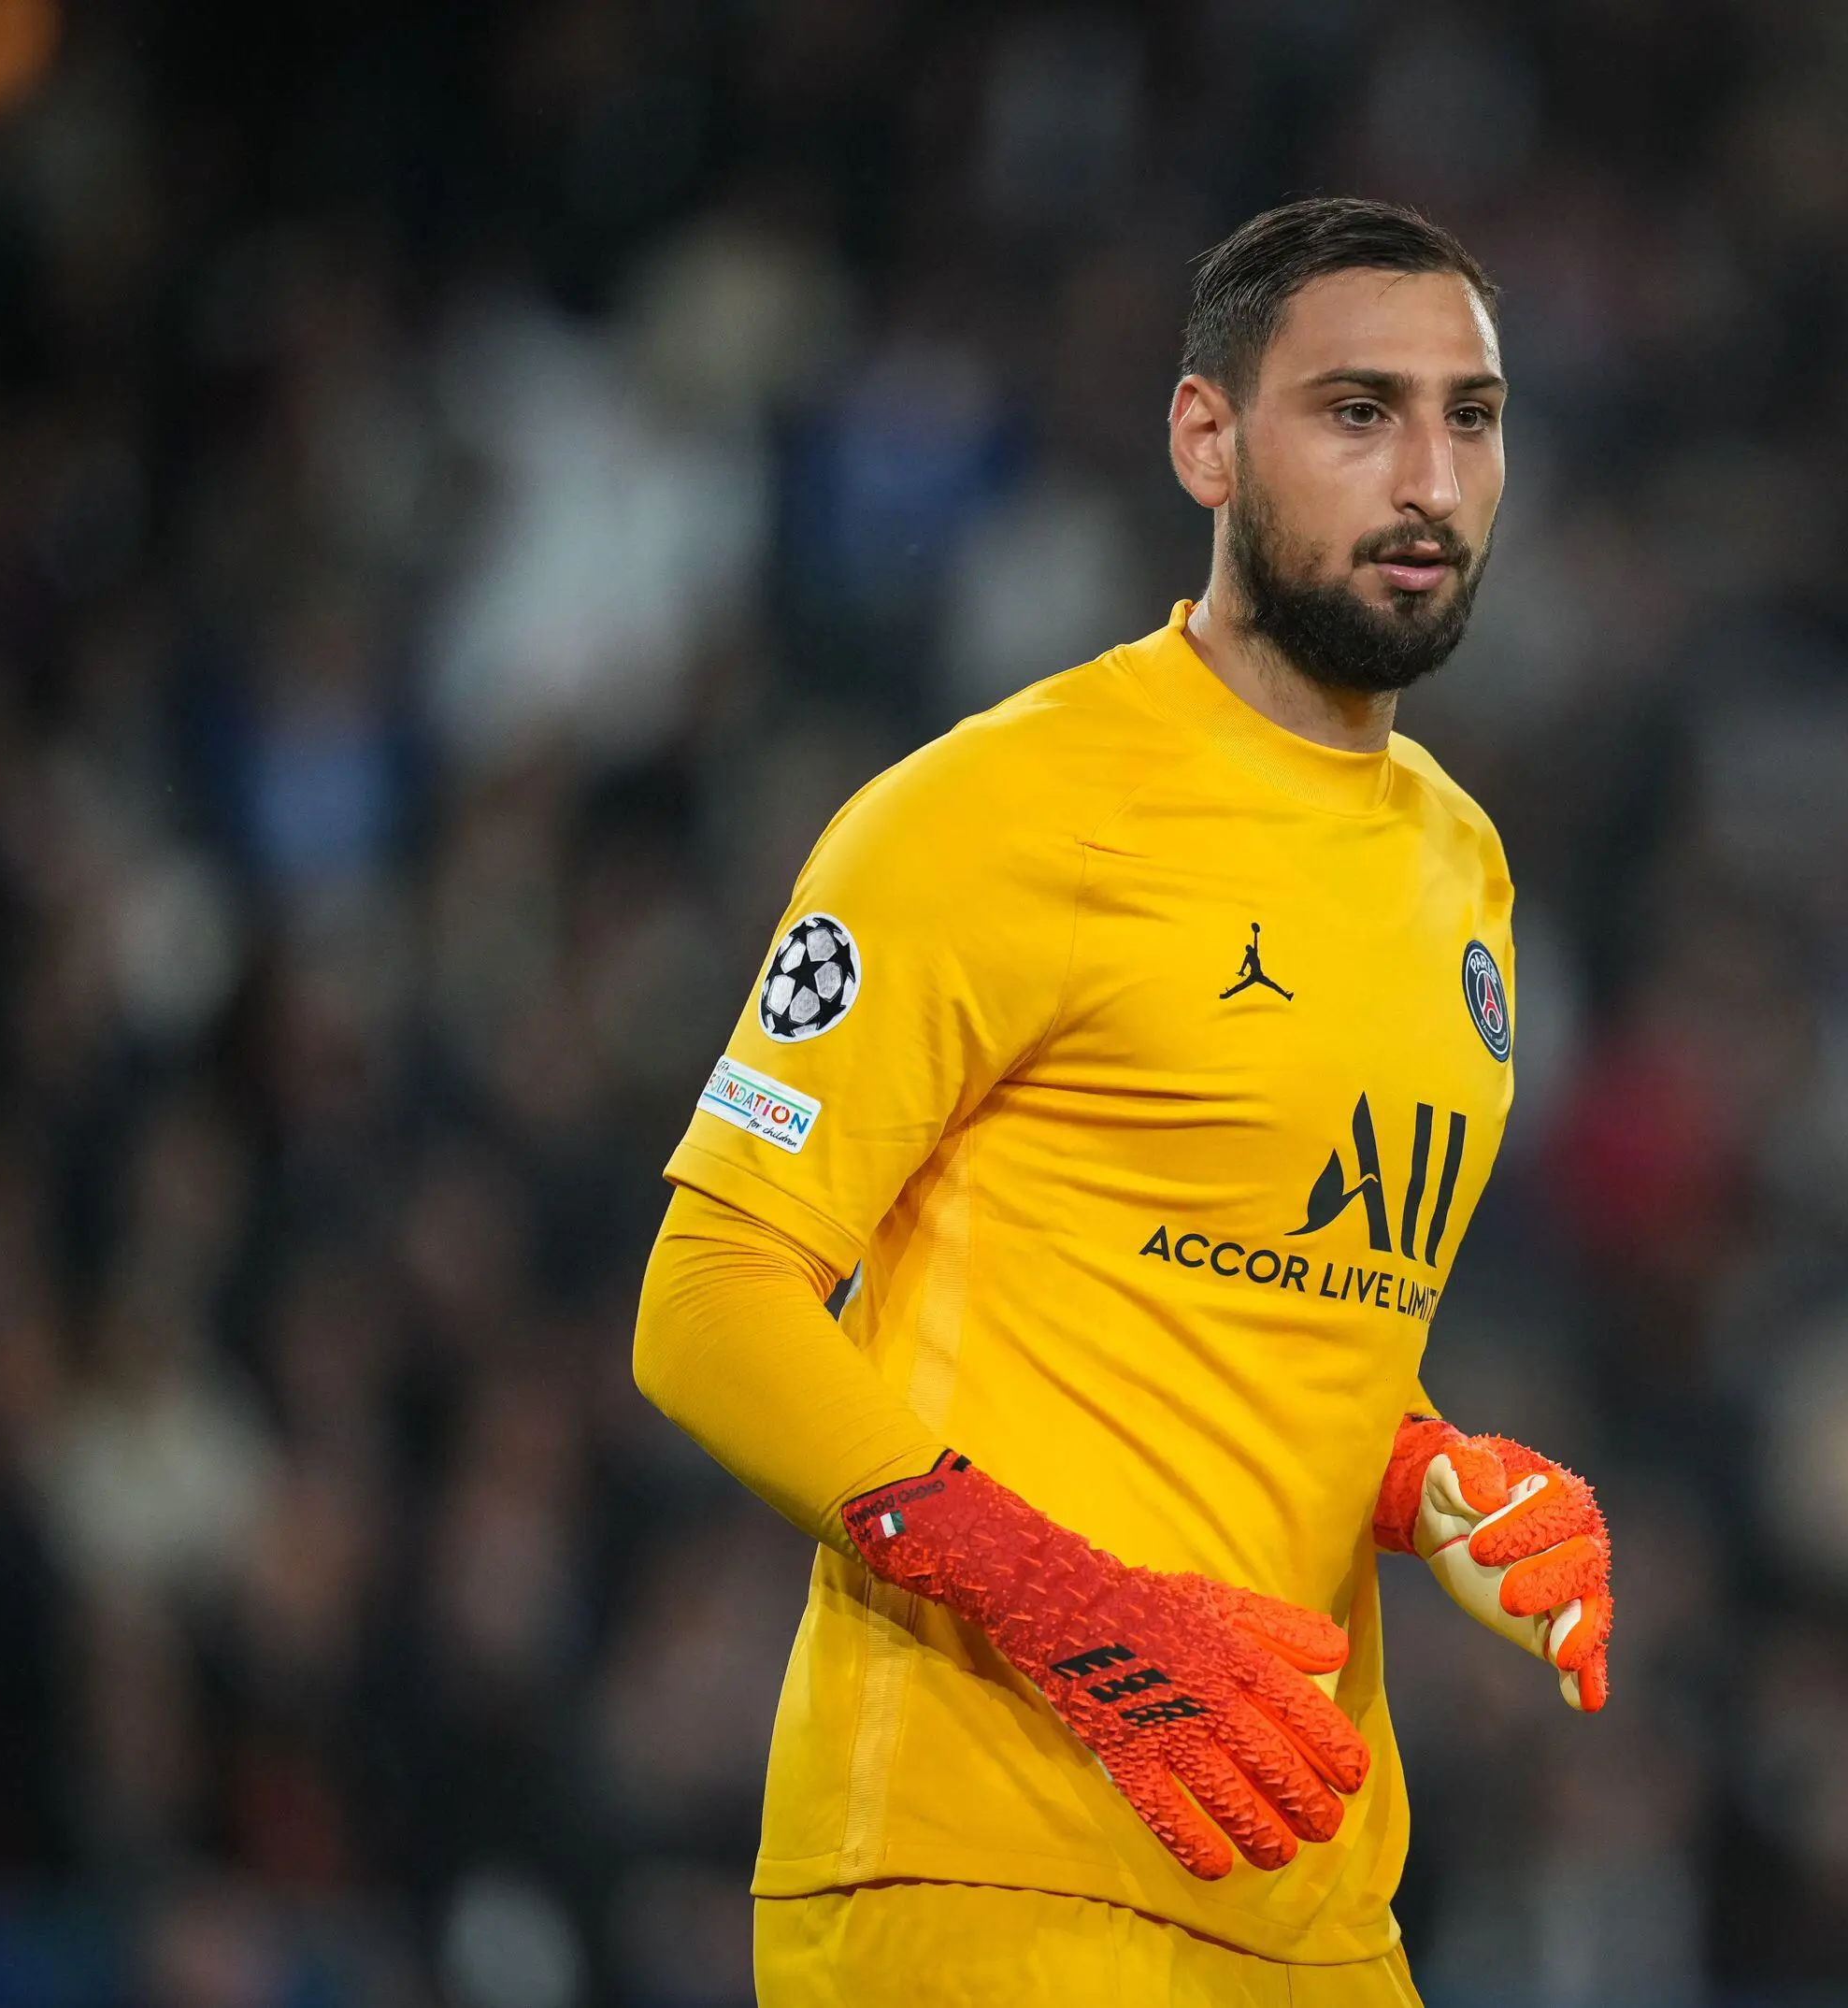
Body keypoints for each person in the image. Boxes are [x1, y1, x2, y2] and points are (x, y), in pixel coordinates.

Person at [633, 197, 1615, 2007]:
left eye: (1470, 418)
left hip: (1302, 1891)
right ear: (1205, 441)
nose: (1429, 478)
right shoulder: (992, 814)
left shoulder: (1460, 871)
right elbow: (707, 1298)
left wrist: (1428, 1481)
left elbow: (1268, 1315)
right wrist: (1056, 1601)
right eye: (1358, 411)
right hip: (976, 1867)